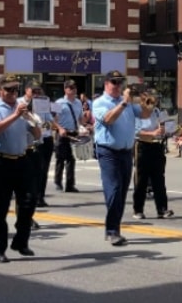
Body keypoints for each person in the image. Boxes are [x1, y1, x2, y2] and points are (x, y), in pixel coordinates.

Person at [0, 74, 41, 263]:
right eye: (9, 89)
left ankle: (21, 241)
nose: (12, 93)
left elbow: (37, 134)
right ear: (0, 90)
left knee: (29, 202)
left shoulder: (22, 108)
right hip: (0, 161)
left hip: (22, 160)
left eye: (16, 89)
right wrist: (15, 115)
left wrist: (34, 122)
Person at [94, 70, 142, 245]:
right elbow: (108, 120)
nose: (118, 86)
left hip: (126, 152)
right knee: (113, 189)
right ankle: (112, 230)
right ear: (106, 84)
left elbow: (144, 114)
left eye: (120, 83)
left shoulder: (128, 104)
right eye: (114, 82)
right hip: (108, 152)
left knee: (121, 193)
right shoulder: (99, 103)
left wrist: (147, 99)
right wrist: (123, 103)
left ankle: (114, 228)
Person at [132, 88, 172, 219]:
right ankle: (138, 210)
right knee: (141, 180)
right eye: (151, 98)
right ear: (143, 97)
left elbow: (167, 127)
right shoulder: (138, 112)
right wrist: (152, 133)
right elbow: (136, 131)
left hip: (156, 146)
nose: (154, 101)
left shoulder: (156, 111)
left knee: (159, 179)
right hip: (142, 146)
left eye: (155, 98)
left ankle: (162, 209)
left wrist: (166, 130)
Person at [23, 81, 55, 208]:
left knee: (43, 170)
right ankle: (29, 196)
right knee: (31, 171)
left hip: (45, 139)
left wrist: (46, 124)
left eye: (38, 91)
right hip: (29, 141)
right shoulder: (20, 103)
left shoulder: (43, 103)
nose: (36, 93)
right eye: (33, 91)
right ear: (27, 91)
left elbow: (49, 122)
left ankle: (40, 197)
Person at [54, 80, 83, 193]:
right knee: (60, 159)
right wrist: (60, 128)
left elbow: (80, 118)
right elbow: (53, 120)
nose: (73, 89)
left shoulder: (78, 102)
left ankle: (70, 184)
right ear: (65, 89)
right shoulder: (58, 102)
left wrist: (82, 127)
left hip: (73, 133)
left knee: (72, 159)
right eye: (70, 87)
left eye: (74, 87)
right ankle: (58, 182)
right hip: (62, 133)